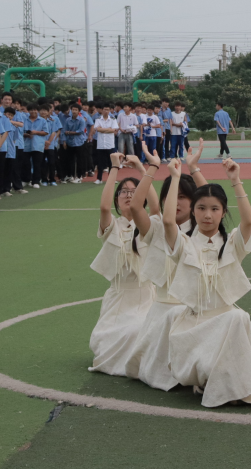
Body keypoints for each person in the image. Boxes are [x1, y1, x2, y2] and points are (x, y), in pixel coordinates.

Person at [162, 158, 251, 408]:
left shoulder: (233, 243)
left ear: (223, 212)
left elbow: (247, 221)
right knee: (235, 324)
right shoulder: (184, 244)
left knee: (237, 317)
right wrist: (176, 178)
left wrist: (236, 181)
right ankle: (209, 380)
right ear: (193, 211)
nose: (207, 214)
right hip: (193, 326)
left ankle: (224, 386)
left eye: (214, 209)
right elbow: (168, 221)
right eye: (201, 208)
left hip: (225, 322)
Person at [124, 144, 205, 390]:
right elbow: (136, 207)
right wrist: (151, 167)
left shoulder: (202, 228)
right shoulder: (156, 227)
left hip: (195, 309)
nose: (178, 202)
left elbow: (211, 198)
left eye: (184, 197)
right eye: (173, 196)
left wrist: (194, 168)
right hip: (162, 310)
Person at [88, 152, 156, 376]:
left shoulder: (148, 225)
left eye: (134, 192)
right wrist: (114, 168)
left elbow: (156, 209)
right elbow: (104, 208)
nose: (128, 195)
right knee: (104, 343)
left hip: (146, 296)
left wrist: (142, 169)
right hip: (119, 298)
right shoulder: (112, 227)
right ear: (117, 198)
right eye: (124, 192)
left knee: (140, 331)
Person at [89, 104, 119, 184]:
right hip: (101, 144)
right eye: (105, 109)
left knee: (111, 163)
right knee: (100, 163)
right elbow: (98, 129)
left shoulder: (113, 119)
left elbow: (113, 130)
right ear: (102, 110)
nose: (106, 111)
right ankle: (99, 179)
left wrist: (103, 129)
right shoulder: (98, 119)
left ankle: (112, 178)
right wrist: (108, 129)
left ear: (110, 110)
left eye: (108, 110)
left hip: (110, 144)